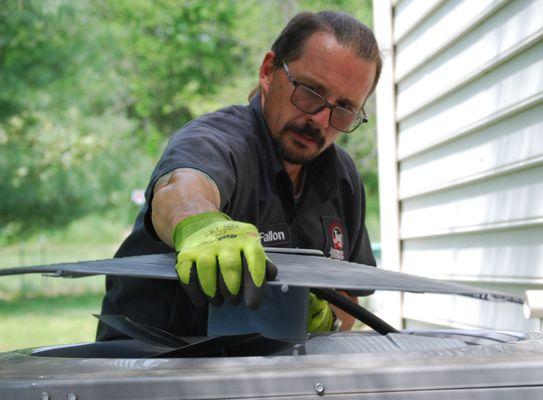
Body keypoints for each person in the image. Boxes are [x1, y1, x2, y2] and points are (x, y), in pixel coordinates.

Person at [96, 10, 382, 341]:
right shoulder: (216, 141)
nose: (320, 120)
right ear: (268, 71)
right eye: (310, 93)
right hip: (151, 372)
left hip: (272, 379)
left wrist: (325, 319)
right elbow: (180, 189)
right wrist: (200, 226)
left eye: (344, 110)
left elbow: (350, 297)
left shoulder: (343, 177)